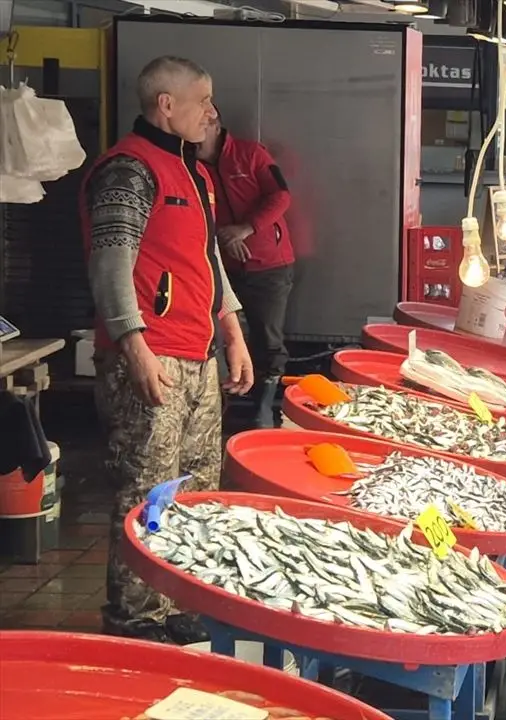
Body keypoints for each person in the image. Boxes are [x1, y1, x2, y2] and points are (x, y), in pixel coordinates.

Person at [82, 56, 253, 644]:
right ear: (166, 105)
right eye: (203, 100)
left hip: (198, 354)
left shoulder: (195, 174)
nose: (212, 112)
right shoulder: (128, 171)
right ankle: (135, 619)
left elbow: (207, 261)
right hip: (154, 357)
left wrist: (231, 331)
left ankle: (179, 601)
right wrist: (134, 348)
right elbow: (111, 267)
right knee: (146, 488)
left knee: (195, 485)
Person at [197, 107, 294, 429]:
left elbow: (281, 197)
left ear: (213, 122)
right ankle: (216, 410)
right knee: (213, 336)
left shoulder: (250, 154)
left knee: (267, 339)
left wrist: (245, 229)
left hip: (268, 265)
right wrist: (223, 239)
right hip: (217, 264)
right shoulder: (188, 163)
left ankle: (263, 411)